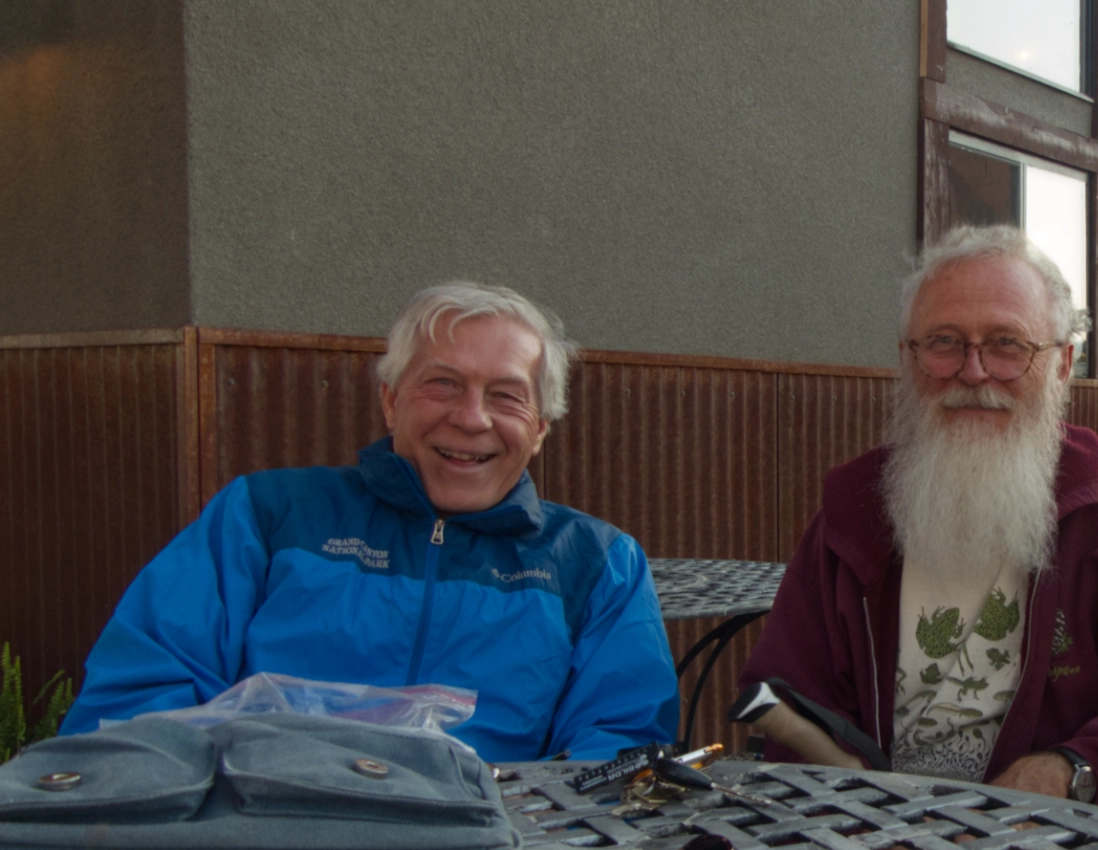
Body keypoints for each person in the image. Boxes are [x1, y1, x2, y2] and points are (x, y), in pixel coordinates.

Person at [61, 281, 679, 762]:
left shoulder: (598, 564)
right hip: (258, 840)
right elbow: (137, 694)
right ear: (390, 399)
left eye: (506, 395)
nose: (471, 419)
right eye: (442, 384)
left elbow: (620, 747)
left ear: (541, 426)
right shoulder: (266, 515)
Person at [736, 226, 1098, 803]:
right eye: (944, 342)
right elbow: (787, 701)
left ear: (1062, 364)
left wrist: (1071, 768)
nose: (972, 373)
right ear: (908, 358)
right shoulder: (853, 510)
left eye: (1008, 345)